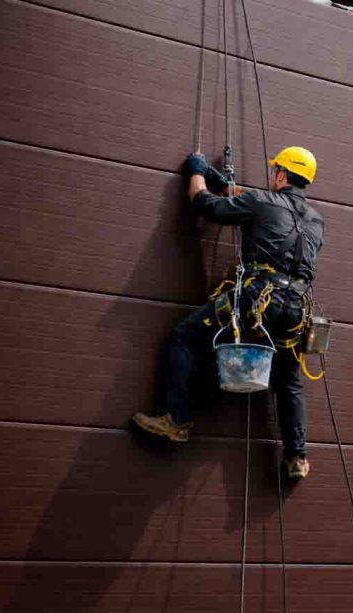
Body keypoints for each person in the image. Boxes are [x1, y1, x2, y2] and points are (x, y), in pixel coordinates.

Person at [132, 147, 324, 480]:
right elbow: (268, 208)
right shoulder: (317, 220)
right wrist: (225, 185)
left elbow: (203, 204)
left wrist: (197, 172)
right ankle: (296, 456)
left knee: (185, 336)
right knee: (288, 379)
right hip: (295, 310)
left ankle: (174, 420)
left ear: (281, 174)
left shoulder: (260, 201)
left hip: (257, 298)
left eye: (275, 171)